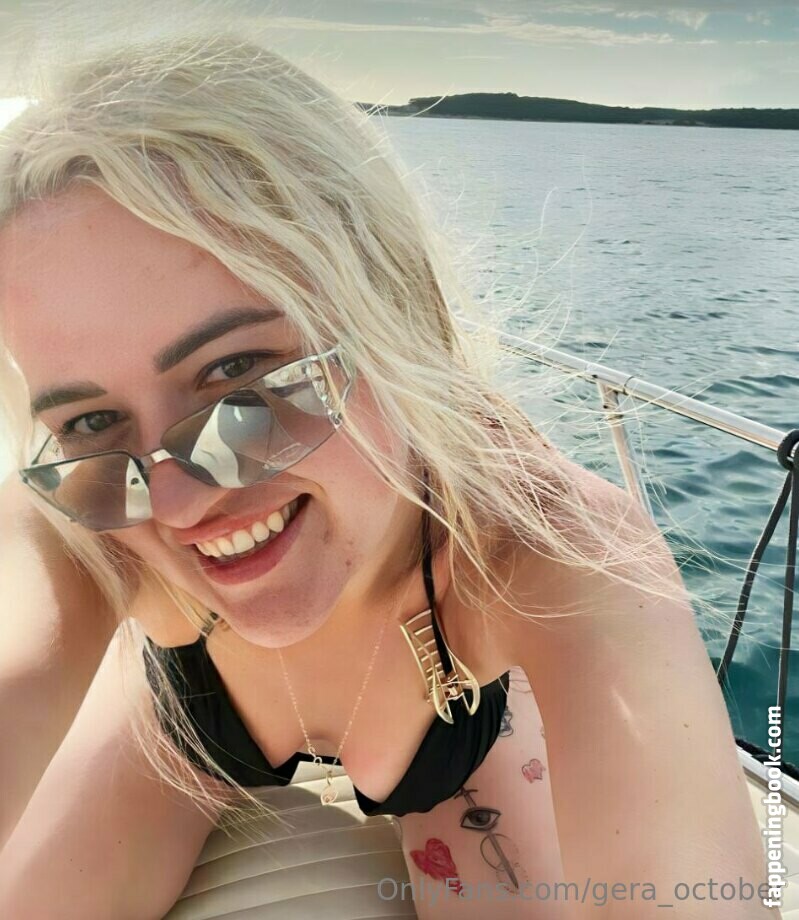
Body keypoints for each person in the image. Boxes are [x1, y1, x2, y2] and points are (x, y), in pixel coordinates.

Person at [0, 30, 776, 920]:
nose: (173, 504)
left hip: (454, 752)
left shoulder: (541, 545)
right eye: (91, 422)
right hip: (186, 721)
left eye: (237, 376)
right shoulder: (86, 509)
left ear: (396, 313)